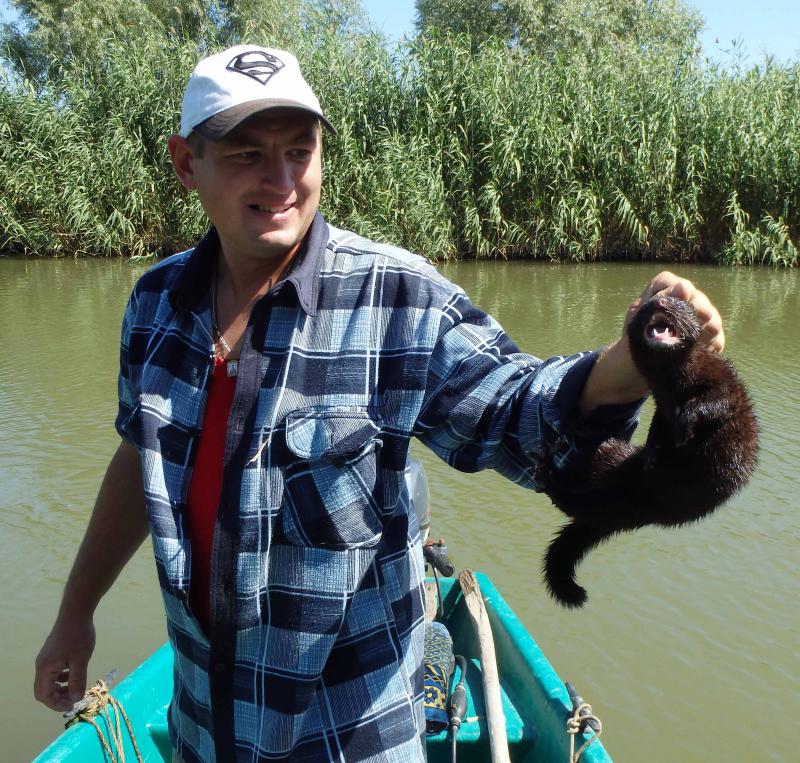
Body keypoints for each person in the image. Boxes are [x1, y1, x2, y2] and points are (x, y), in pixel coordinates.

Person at [34, 45, 724, 762]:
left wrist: (632, 364)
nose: (282, 180)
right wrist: (76, 611)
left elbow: (516, 412)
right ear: (186, 163)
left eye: (299, 150)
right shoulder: (156, 304)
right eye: (247, 155)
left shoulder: (396, 297)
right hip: (205, 728)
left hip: (349, 739)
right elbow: (140, 456)